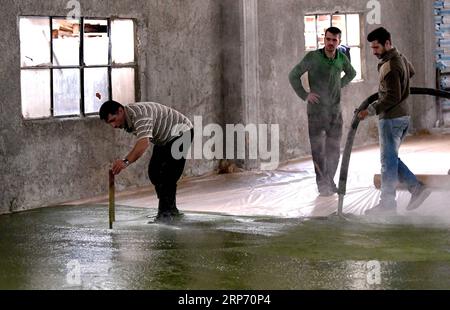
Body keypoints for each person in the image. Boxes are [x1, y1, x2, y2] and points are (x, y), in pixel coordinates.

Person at [358, 27, 431, 215]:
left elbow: (392, 97)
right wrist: (401, 80)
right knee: (391, 159)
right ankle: (416, 188)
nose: (373, 51)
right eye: (372, 48)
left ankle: (388, 204)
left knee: (387, 163)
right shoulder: (399, 57)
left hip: (391, 118)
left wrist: (370, 110)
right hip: (403, 117)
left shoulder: (390, 66)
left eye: (376, 47)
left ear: (387, 43)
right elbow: (411, 71)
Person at [289, 27, 356, 196]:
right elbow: (293, 75)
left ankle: (330, 181)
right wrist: (305, 95)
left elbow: (352, 73)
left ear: (339, 42)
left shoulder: (341, 58)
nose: (330, 43)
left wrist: (339, 84)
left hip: (335, 111)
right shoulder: (313, 57)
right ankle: (322, 184)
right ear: (323, 39)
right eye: (328, 39)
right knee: (318, 150)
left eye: (334, 40)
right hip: (316, 113)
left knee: (333, 149)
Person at [99, 100, 194, 222]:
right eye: (109, 123)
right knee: (154, 173)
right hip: (164, 138)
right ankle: (170, 209)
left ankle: (164, 215)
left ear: (120, 111)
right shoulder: (127, 118)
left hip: (182, 133)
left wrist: (125, 162)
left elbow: (143, 143)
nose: (113, 126)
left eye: (113, 120)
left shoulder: (139, 115)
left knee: (168, 175)